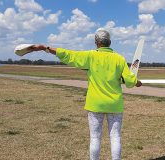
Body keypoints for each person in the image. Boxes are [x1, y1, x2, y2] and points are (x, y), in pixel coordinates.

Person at [26, 30, 142, 160]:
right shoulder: (119, 58)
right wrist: (137, 82)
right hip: (115, 104)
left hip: (95, 104)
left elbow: (68, 55)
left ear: (96, 43)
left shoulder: (90, 56)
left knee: (95, 137)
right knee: (115, 137)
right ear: (109, 42)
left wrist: (45, 48)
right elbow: (130, 81)